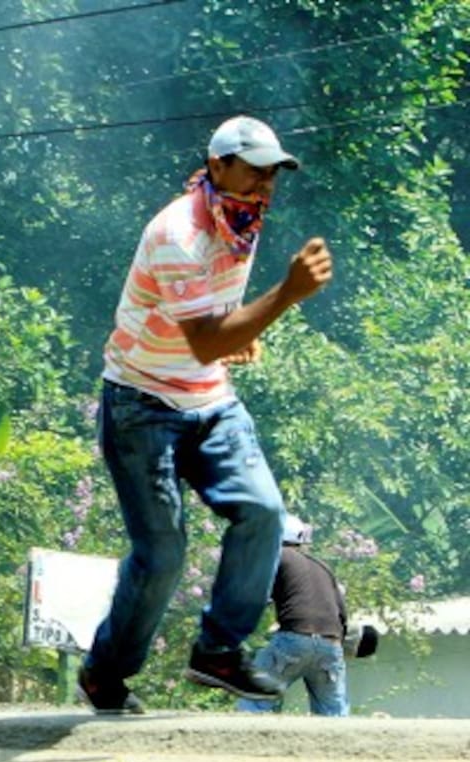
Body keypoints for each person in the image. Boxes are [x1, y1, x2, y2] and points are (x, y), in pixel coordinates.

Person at [78, 115, 334, 714]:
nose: (265, 187)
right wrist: (286, 295)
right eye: (254, 171)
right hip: (142, 404)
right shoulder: (177, 233)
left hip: (211, 398)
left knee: (264, 512)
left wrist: (238, 330)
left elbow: (215, 323)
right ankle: (105, 673)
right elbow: (205, 340)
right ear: (216, 166)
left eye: (273, 175)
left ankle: (218, 652)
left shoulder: (240, 218)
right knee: (162, 556)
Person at [238, 515, 373, 716]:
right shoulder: (323, 567)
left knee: (255, 700)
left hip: (293, 640)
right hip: (331, 644)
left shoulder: (276, 556)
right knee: (334, 714)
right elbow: (342, 615)